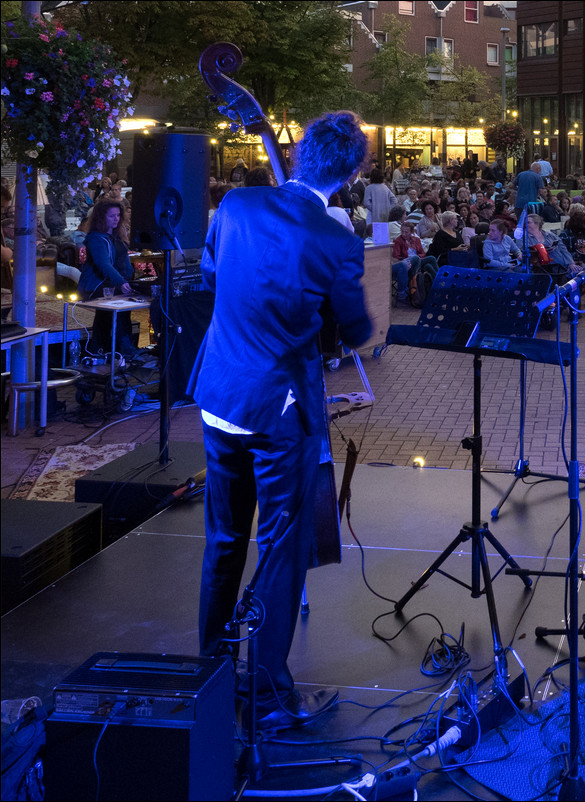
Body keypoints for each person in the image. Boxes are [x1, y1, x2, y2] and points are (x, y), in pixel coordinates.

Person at [189, 110, 374, 731]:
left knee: (223, 537)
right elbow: (355, 332)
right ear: (352, 172)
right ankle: (267, 696)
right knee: (280, 546)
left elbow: (215, 279)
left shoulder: (236, 204)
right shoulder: (337, 240)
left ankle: (209, 671)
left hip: (220, 395)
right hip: (278, 410)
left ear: (295, 157)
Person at [78, 199, 138, 356]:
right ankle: (124, 351)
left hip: (114, 283)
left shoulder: (118, 234)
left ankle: (104, 352)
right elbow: (104, 265)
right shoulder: (96, 238)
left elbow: (124, 262)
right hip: (97, 285)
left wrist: (130, 280)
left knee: (110, 317)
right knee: (116, 315)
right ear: (101, 217)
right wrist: (122, 283)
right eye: (112, 216)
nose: (116, 219)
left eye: (118, 215)